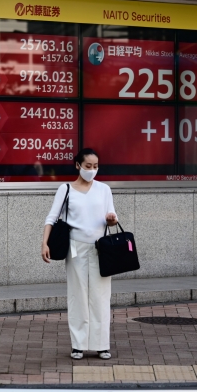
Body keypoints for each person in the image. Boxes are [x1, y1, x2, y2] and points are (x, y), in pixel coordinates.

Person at [41, 148, 118, 360]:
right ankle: (78, 345)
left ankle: (102, 345)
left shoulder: (104, 189)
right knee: (78, 295)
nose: (92, 170)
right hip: (75, 246)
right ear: (78, 165)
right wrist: (44, 243)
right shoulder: (65, 189)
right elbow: (51, 217)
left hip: (101, 247)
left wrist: (112, 219)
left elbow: (112, 216)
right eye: (88, 166)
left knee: (101, 295)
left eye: (96, 166)